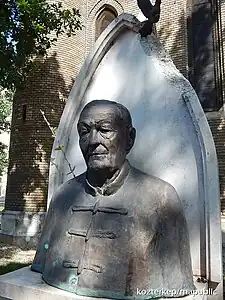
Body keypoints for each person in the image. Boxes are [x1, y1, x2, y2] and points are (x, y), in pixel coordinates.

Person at [31, 100, 195, 299]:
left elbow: (175, 279)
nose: (93, 140)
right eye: (84, 132)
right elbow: (43, 257)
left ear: (130, 138)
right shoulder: (63, 196)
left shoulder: (162, 198)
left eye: (105, 130)